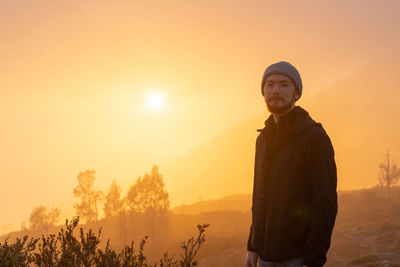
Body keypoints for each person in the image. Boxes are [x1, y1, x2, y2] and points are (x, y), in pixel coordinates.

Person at [244, 61, 338, 267]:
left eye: (284, 84)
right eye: (270, 84)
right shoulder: (263, 140)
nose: (275, 90)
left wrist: (312, 261)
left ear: (296, 93)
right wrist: (252, 246)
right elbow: (259, 197)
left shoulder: (314, 138)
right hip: (263, 258)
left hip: (297, 259)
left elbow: (325, 205)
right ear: (263, 91)